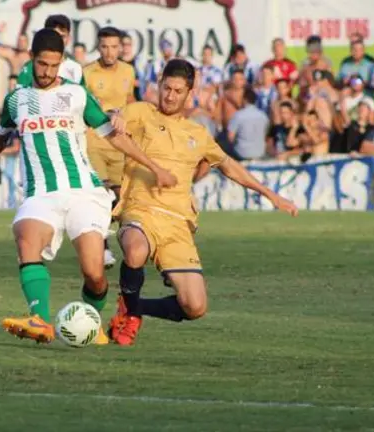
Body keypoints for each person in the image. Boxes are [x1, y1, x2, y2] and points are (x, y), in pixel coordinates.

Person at [0, 29, 177, 345]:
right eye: (42, 64)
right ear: (31, 59)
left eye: (53, 65)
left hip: (83, 193)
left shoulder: (76, 95)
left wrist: (155, 168)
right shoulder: (16, 100)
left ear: (61, 62)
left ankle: (90, 323)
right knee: (25, 236)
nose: (47, 71)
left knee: (94, 274)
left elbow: (114, 135)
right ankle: (39, 319)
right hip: (41, 194)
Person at [107, 59, 299, 346]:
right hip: (140, 211)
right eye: (166, 88)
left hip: (178, 226)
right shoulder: (142, 112)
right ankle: (131, 314)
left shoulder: (198, 134)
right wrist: (114, 115)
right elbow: (111, 117)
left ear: (190, 93)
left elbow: (229, 165)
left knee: (195, 306)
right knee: (135, 251)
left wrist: (270, 195)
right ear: (159, 84)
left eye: (177, 91)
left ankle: (133, 306)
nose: (170, 96)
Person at [83, 26, 136, 268]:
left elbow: (130, 100)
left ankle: (127, 244)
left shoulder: (128, 71)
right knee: (101, 196)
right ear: (98, 47)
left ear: (121, 48)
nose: (109, 52)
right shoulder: (87, 73)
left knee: (121, 199)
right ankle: (103, 249)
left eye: (114, 47)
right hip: (95, 141)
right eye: (104, 46)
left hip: (120, 143)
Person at [16, 15, 84, 87]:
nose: (58, 40)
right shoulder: (30, 67)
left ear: (69, 38)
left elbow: (82, 92)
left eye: (62, 36)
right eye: (54, 35)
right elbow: (20, 91)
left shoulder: (76, 68)